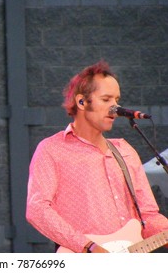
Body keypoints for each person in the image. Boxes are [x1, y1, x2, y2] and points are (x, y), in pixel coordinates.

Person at [26, 60, 168, 253]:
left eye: (117, 100)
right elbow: (37, 209)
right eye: (106, 99)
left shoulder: (125, 151)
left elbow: (148, 214)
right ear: (81, 102)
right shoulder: (52, 149)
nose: (115, 108)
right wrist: (87, 246)